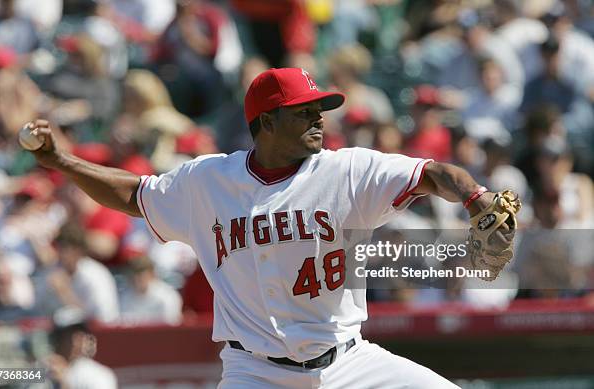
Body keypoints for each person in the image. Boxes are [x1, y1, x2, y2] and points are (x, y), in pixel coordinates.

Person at [25, 67, 513, 388]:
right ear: (267, 122)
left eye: (320, 109)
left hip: (349, 364)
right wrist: (60, 161)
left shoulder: (347, 171)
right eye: (304, 111)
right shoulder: (208, 181)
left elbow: (433, 174)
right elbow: (133, 194)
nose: (318, 118)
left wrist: (476, 199)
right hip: (255, 373)